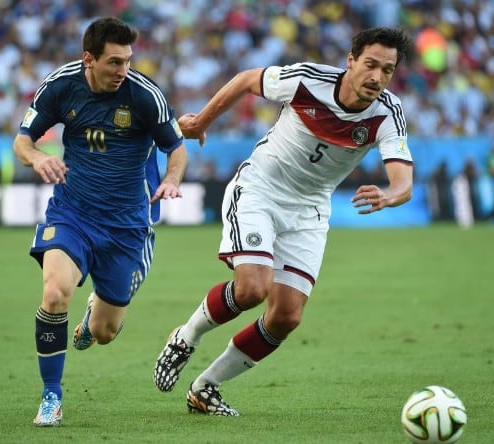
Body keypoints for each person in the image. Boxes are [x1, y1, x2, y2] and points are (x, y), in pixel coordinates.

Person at [153, 27, 414, 416]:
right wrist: (202, 122)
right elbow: (246, 80)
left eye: (387, 70)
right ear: (351, 61)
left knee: (286, 316)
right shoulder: (308, 81)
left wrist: (391, 195)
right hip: (260, 189)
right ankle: (186, 336)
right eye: (371, 65)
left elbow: (403, 183)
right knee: (252, 289)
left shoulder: (387, 113)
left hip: (309, 211)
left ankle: (206, 386)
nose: (377, 77)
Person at [12, 17, 189, 426]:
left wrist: (172, 179)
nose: (123, 70)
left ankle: (96, 313)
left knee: (106, 332)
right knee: (55, 293)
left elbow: (176, 148)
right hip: (73, 212)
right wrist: (39, 157)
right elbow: (22, 140)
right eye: (113, 62)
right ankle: (51, 396)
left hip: (127, 226)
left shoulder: (145, 95)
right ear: (88, 59)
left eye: (127, 60)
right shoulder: (60, 86)